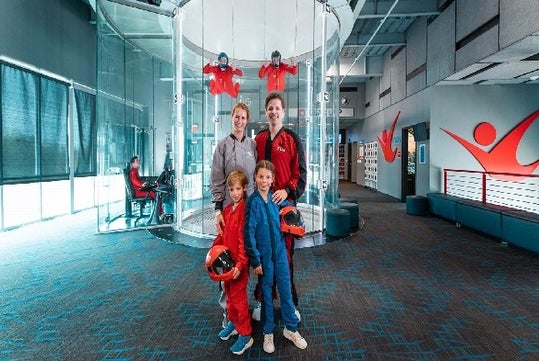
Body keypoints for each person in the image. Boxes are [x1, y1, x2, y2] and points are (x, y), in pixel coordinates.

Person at [253, 92, 307, 321]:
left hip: (285, 207)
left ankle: (289, 303)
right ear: (266, 112)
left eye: (277, 108)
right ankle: (262, 301)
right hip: (263, 207)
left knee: (285, 257)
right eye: (270, 108)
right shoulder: (259, 139)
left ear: (283, 112)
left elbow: (301, 173)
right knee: (265, 255)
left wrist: (288, 191)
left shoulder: (292, 139)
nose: (273, 112)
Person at [243, 160, 307, 354]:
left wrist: (288, 195)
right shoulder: (252, 203)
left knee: (286, 290)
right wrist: (255, 260)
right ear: (255, 177)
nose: (264, 180)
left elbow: (291, 210)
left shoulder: (276, 199)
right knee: (267, 296)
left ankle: (291, 329)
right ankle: (268, 332)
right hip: (264, 258)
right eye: (261, 176)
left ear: (273, 180)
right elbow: (248, 233)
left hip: (280, 254)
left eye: (268, 177)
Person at [210, 102, 257, 327]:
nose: (239, 121)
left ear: (247, 121)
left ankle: (250, 306)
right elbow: (217, 179)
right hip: (229, 211)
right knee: (227, 259)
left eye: (243, 118)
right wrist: (218, 209)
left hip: (249, 211)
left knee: (247, 256)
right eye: (236, 117)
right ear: (232, 118)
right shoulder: (222, 146)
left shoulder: (252, 145)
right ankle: (227, 312)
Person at [211, 170, 253, 355]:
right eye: (231, 189)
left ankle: (246, 334)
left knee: (239, 300)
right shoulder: (228, 210)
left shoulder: (245, 211)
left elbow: (245, 241)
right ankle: (233, 323)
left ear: (244, 189)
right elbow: (222, 236)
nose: (235, 193)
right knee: (228, 296)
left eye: (238, 189)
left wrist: (240, 264)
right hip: (226, 265)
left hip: (238, 266)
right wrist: (212, 254)